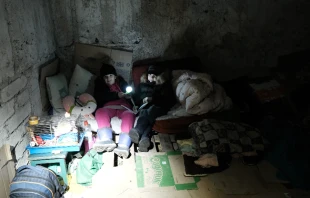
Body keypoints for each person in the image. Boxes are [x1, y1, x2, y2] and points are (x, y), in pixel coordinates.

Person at [130, 66, 176, 152]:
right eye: (149, 74)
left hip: (157, 107)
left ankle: (138, 130)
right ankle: (145, 139)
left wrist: (152, 99)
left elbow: (168, 100)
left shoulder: (163, 85)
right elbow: (135, 98)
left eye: (154, 75)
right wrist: (135, 105)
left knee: (151, 110)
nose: (151, 76)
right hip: (144, 107)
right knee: (145, 112)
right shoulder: (141, 85)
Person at [93, 64, 135, 158]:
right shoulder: (99, 85)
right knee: (100, 112)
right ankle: (105, 139)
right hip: (109, 106)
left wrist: (129, 96)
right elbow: (99, 96)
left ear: (115, 76)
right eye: (106, 77)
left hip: (123, 106)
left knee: (129, 115)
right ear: (102, 78)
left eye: (111, 75)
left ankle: (123, 145)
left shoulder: (121, 82)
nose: (109, 79)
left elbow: (130, 93)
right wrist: (116, 95)